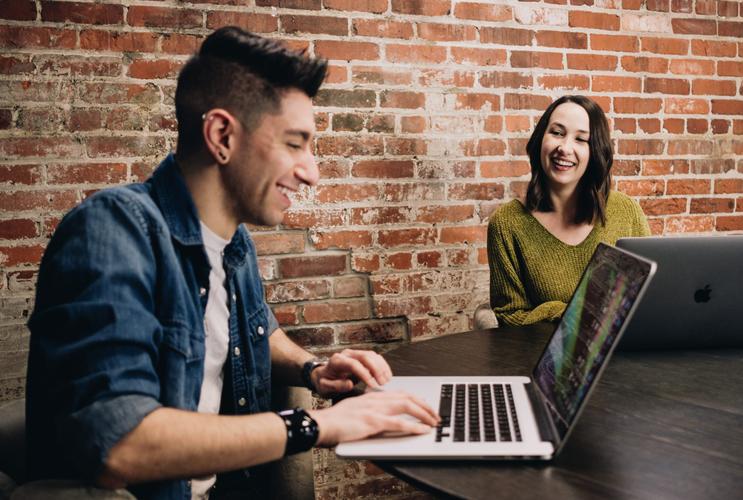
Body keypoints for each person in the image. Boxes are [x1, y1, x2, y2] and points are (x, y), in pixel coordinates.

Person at [25, 26, 438, 500]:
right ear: (222, 135)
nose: (312, 172)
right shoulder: (111, 230)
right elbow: (119, 442)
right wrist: (314, 425)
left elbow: (260, 332)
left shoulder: (233, 242)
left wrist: (314, 370)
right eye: (295, 143)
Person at [487, 95, 650, 327]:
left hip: (622, 355)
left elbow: (649, 297)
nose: (565, 148)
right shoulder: (507, 223)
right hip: (538, 356)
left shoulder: (626, 211)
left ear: (595, 151)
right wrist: (565, 312)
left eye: (581, 139)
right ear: (540, 139)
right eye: (557, 133)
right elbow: (509, 315)